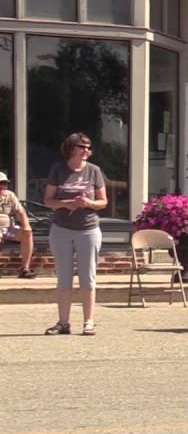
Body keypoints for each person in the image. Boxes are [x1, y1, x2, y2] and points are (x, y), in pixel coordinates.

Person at [43, 133, 108, 336]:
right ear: (72, 148)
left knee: (88, 277)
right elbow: (48, 200)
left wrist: (88, 203)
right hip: (61, 229)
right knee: (64, 278)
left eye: (89, 147)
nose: (87, 150)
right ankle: (63, 323)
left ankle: (89, 321)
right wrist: (65, 203)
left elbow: (103, 202)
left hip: (88, 229)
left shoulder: (94, 171)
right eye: (83, 146)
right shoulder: (58, 169)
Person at [0, 171, 37, 278]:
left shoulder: (10, 195)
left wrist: (27, 226)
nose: (2, 186)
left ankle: (24, 269)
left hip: (8, 230)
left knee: (27, 234)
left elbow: (21, 211)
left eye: (4, 183)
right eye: (0, 183)